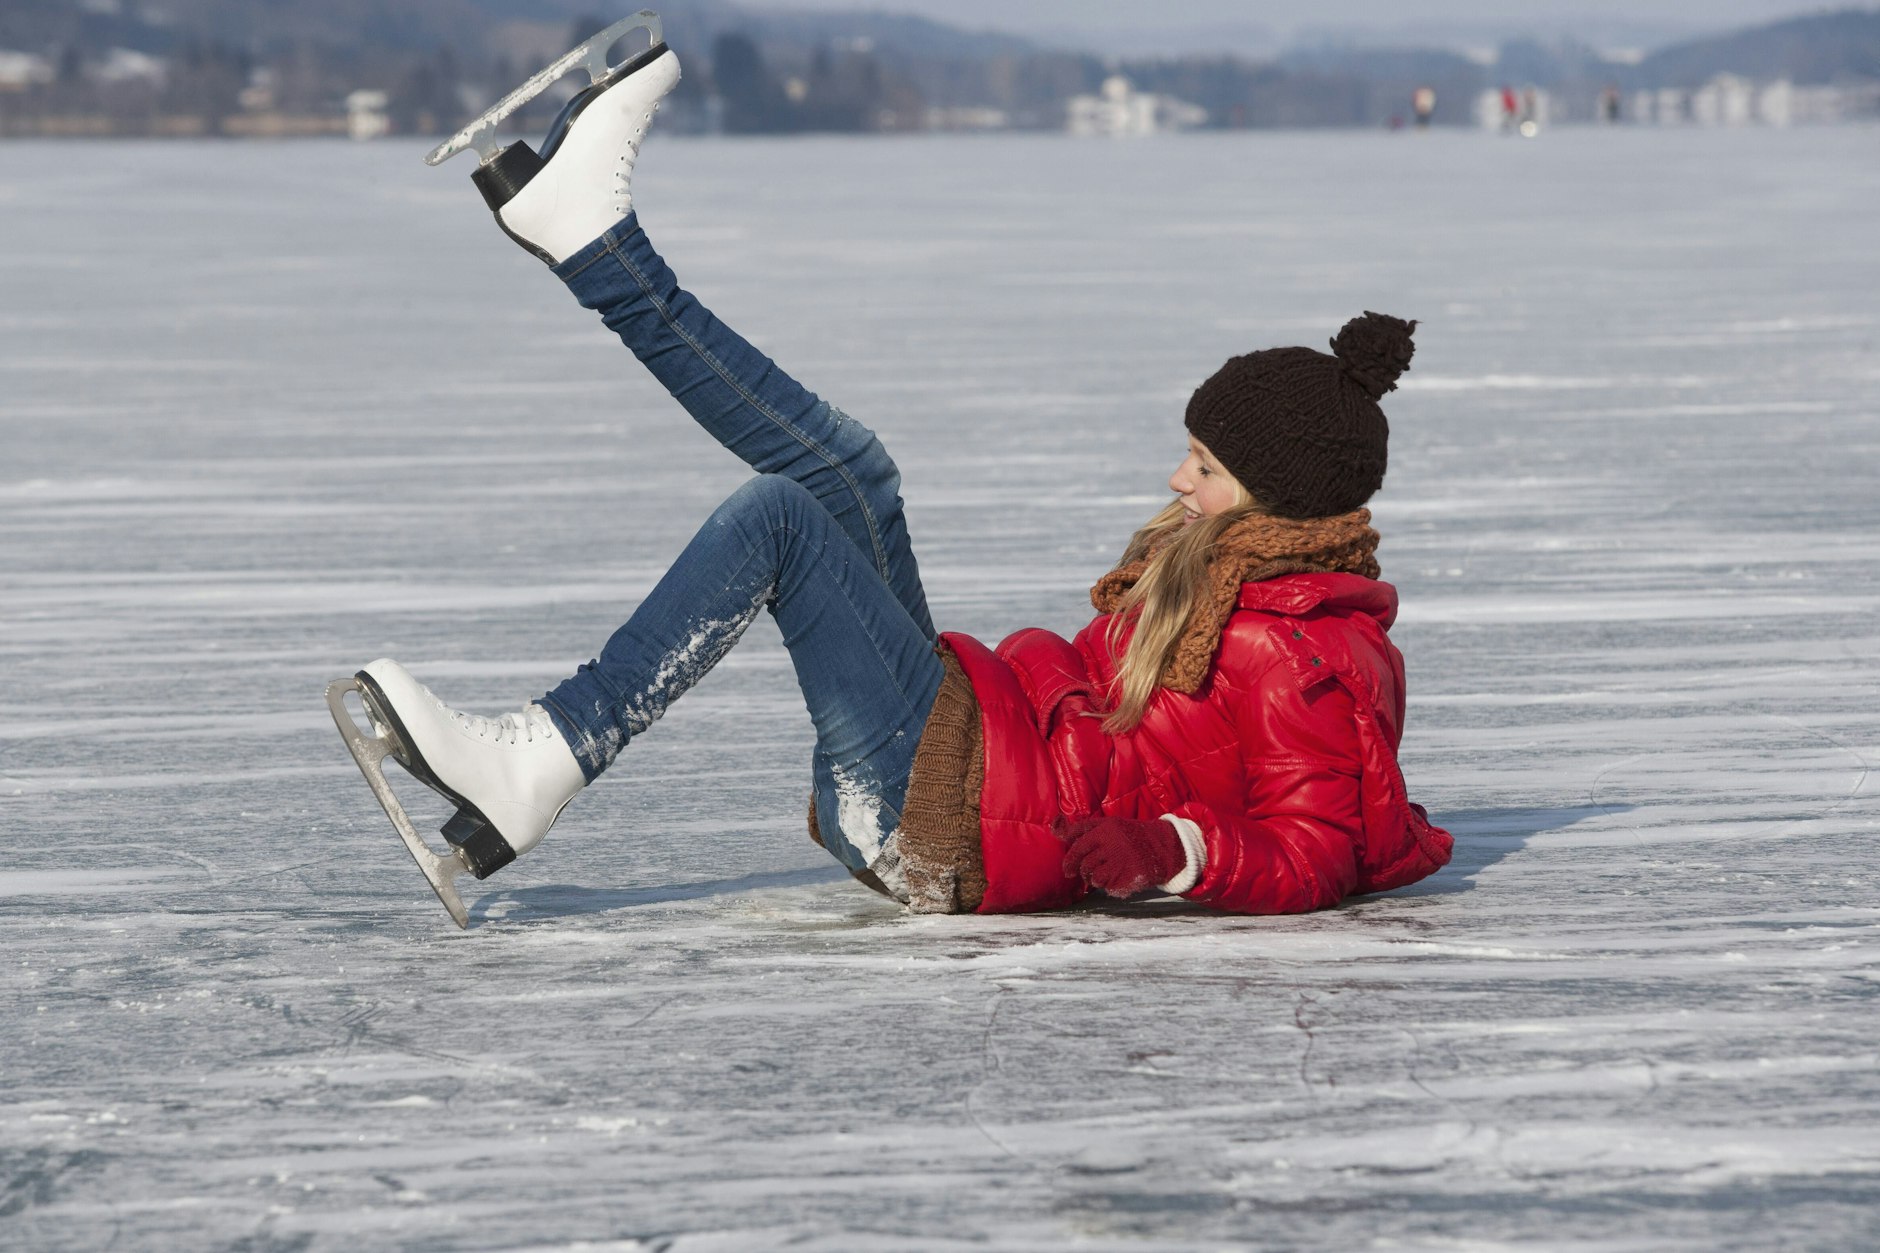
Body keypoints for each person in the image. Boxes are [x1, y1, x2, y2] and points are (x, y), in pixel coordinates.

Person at [343, 43, 1453, 919]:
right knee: (849, 472)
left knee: (781, 520)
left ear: (1273, 495)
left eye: (1204, 466)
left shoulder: (1302, 653)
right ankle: (595, 242)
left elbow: (1321, 848)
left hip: (953, 822)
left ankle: (543, 758)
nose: (1175, 475)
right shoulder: (1224, 575)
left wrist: (1175, 851)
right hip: (974, 752)